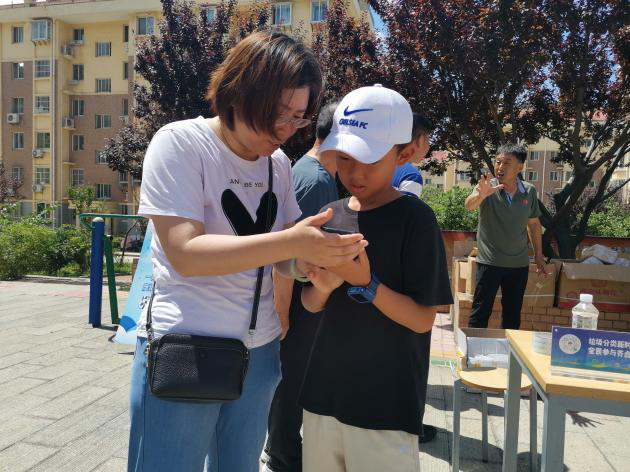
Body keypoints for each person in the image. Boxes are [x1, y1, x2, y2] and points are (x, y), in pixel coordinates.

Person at [127, 32, 367, 472]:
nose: (285, 130)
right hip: (186, 346)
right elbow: (185, 253)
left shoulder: (278, 165)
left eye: (297, 118)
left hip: (259, 351)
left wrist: (316, 265)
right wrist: (293, 243)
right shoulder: (180, 143)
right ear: (239, 92)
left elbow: (281, 258)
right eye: (277, 115)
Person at [298, 85, 453, 472]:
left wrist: (367, 283)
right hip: (322, 396)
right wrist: (323, 288)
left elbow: (423, 319)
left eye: (369, 159)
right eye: (345, 157)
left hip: (385, 406)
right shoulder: (331, 214)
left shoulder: (415, 219)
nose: (354, 172)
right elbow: (310, 304)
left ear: (404, 154)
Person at [262, 101, 340, 472]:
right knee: (291, 379)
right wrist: (282, 312)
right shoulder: (315, 180)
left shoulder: (314, 174)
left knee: (294, 378)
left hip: (299, 293)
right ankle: (283, 456)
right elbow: (286, 248)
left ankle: (283, 449)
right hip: (294, 298)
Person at [390, 112, 439, 444]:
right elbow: (406, 222)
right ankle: (409, 426)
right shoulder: (410, 174)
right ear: (418, 141)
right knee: (410, 361)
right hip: (403, 285)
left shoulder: (378, 169)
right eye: (428, 140)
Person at [464, 144, 548, 329]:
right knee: (480, 313)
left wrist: (538, 255)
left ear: (520, 167)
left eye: (507, 163)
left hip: (518, 265)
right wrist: (481, 195)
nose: (500, 167)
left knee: (512, 316)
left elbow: (534, 225)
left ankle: (509, 347)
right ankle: (472, 347)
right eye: (498, 162)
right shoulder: (487, 187)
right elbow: (469, 205)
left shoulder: (529, 191)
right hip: (489, 263)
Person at [391, 113, 433, 198]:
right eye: (428, 140)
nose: (429, 147)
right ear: (420, 140)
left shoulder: (374, 164)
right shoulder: (411, 175)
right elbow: (404, 206)